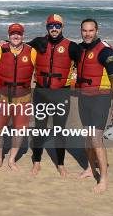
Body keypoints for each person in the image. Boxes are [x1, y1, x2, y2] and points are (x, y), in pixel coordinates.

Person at [27, 14, 81, 177]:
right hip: (41, 92)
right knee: (39, 129)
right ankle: (36, 162)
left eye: (57, 26)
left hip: (61, 94)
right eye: (51, 26)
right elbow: (19, 49)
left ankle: (60, 163)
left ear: (62, 27)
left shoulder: (71, 46)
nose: (54, 29)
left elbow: (85, 62)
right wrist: (3, 44)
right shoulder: (38, 42)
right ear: (47, 28)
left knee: (59, 130)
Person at [75, 18, 113, 193]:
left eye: (91, 30)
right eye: (84, 30)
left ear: (96, 30)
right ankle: (90, 168)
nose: (87, 34)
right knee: (87, 137)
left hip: (100, 99)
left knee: (96, 138)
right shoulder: (80, 49)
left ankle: (103, 179)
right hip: (84, 98)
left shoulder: (105, 51)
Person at [0, 23, 37, 172]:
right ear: (8, 35)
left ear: (23, 35)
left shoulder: (32, 52)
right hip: (2, 98)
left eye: (19, 34)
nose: (16, 36)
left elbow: (42, 68)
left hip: (23, 99)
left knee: (19, 130)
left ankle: (11, 159)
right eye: (13, 34)